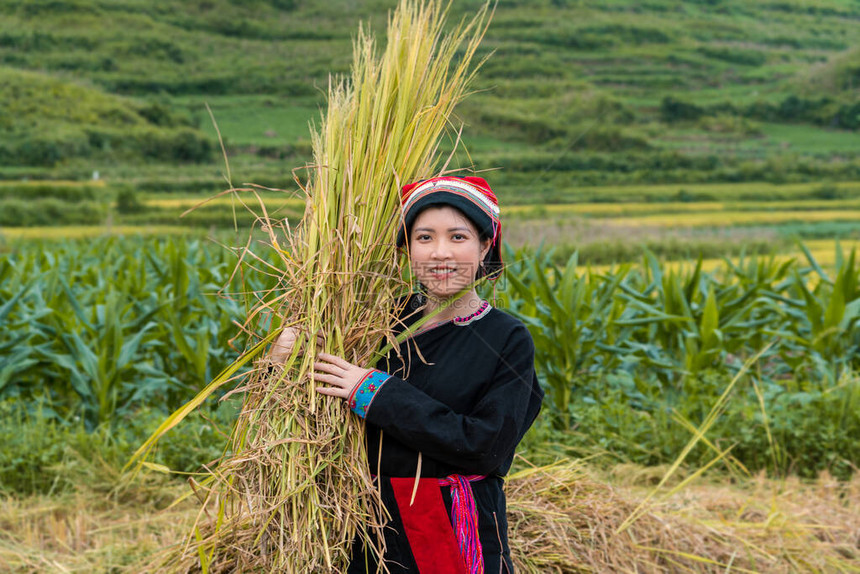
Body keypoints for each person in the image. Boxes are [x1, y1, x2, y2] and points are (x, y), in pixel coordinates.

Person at [270, 176, 543, 573]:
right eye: (425, 237)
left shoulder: (506, 338)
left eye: (458, 237)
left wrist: (375, 393)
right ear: (407, 249)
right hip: (360, 523)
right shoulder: (370, 323)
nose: (441, 253)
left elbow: (486, 446)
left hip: (449, 525)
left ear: (486, 246)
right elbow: (305, 410)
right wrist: (285, 363)